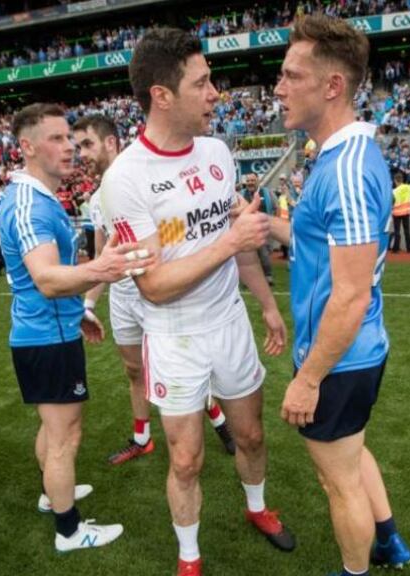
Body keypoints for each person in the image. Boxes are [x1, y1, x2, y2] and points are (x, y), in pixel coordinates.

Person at [102, 28, 293, 576]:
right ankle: (189, 557)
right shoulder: (126, 179)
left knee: (252, 435)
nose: (216, 94)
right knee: (186, 459)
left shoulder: (215, 152)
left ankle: (258, 509)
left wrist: (267, 305)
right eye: (202, 83)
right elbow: (154, 286)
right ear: (162, 95)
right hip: (174, 331)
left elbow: (239, 236)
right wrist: (230, 242)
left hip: (230, 320)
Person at [271, 15, 410, 576]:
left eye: (290, 76)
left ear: (332, 86)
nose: (278, 89)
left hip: (339, 358)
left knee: (339, 481)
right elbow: (323, 250)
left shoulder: (348, 168)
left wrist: (308, 379)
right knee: (352, 458)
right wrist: (270, 229)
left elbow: (350, 295)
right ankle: (390, 541)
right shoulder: (335, 158)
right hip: (352, 352)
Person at [0, 103, 154, 552]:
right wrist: (102, 269)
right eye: (56, 139)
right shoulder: (29, 203)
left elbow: (48, 277)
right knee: (66, 437)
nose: (68, 147)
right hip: (45, 339)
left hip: (50, 332)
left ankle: (54, 496)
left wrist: (79, 313)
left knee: (54, 430)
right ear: (27, 147)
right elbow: (46, 279)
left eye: (70, 137)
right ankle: (69, 530)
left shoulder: (37, 197)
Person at [74, 115, 235, 467]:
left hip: (161, 294)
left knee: (183, 369)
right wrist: (88, 304)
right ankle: (142, 438)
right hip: (123, 297)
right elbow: (103, 257)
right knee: (134, 370)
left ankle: (219, 419)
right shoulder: (97, 198)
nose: (80, 153)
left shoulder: (144, 176)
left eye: (87, 144)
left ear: (111, 142)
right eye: (78, 147)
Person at [241, 173, 277, 286]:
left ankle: (268, 276)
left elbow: (276, 208)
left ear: (258, 181)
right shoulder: (241, 194)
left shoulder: (267, 192)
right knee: (248, 256)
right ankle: (248, 280)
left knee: (264, 254)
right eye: (248, 181)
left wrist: (274, 224)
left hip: (263, 228)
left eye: (252, 180)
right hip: (246, 230)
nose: (250, 183)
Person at [389, 171, 410, 253]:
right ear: (402, 179)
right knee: (407, 231)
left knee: (397, 231)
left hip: (397, 213)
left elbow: (392, 202)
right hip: (406, 212)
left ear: (395, 180)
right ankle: (409, 248)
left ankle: (396, 248)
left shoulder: (394, 191)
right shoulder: (409, 187)